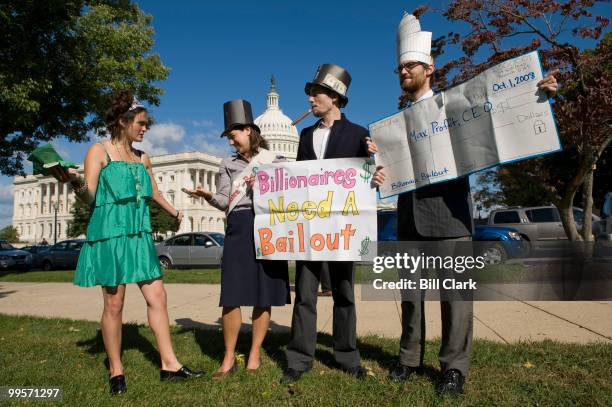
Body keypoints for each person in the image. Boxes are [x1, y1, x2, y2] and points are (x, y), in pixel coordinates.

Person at [370, 12, 558, 396]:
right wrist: (378, 172)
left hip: (450, 218)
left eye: (410, 66)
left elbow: (499, 105)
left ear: (429, 67)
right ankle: (408, 360)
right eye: (399, 68)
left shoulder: (452, 106)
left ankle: (454, 368)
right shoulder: (393, 126)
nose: (403, 71)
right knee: (411, 299)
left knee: (456, 300)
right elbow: (390, 175)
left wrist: (538, 93)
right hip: (408, 222)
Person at [49, 90, 203, 395]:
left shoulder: (143, 157)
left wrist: (175, 212)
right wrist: (76, 181)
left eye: (147, 124)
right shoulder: (98, 152)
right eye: (142, 123)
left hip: (139, 233)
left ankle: (169, 364)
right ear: (123, 121)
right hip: (110, 234)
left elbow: (154, 192)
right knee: (114, 303)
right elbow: (89, 196)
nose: (145, 128)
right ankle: (116, 370)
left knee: (157, 296)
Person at [282, 64, 375, 383]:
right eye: (309, 94)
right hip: (310, 229)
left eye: (315, 93)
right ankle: (299, 358)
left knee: (344, 292)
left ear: (334, 96)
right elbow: (298, 178)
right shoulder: (305, 135)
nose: (310, 99)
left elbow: (368, 178)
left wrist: (375, 166)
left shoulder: (359, 133)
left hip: (344, 230)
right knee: (305, 294)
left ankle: (347, 356)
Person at [184, 99, 290, 379]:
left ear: (248, 130)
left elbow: (287, 196)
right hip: (240, 225)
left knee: (263, 293)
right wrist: (207, 197)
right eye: (229, 138)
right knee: (231, 294)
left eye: (234, 136)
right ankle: (228, 356)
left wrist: (265, 186)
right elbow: (222, 200)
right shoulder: (227, 164)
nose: (231, 142)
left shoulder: (274, 160)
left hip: (267, 224)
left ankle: (254, 353)